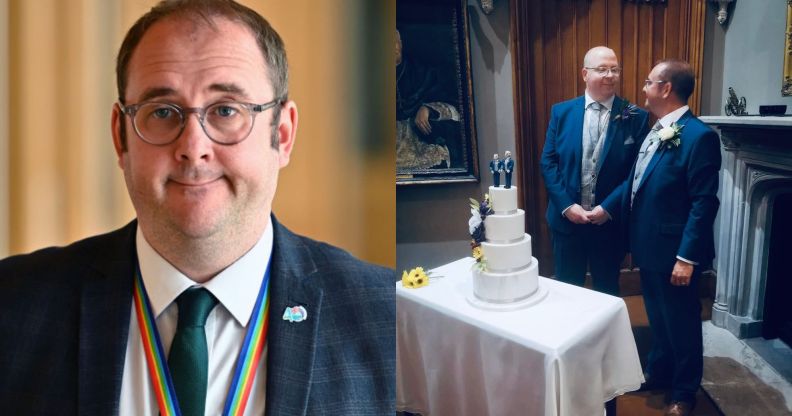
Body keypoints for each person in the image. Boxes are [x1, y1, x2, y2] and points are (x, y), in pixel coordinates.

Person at [0, 1, 395, 415]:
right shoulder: (12, 309)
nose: (193, 147)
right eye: (162, 112)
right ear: (120, 137)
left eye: (226, 110)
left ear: (281, 134)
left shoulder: (388, 319)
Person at [602, 59, 721, 416]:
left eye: (648, 82)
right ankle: (659, 370)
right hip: (649, 246)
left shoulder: (699, 137)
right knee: (658, 316)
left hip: (675, 253)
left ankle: (684, 392)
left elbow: (703, 203)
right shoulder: (656, 129)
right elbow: (637, 182)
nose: (643, 88)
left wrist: (687, 258)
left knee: (682, 324)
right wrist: (607, 211)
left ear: (666, 88)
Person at [540, 46, 649, 296]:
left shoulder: (636, 116)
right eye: (602, 69)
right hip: (567, 223)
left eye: (615, 69)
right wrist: (567, 206)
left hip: (609, 225)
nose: (610, 75)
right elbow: (548, 162)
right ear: (585, 74)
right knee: (568, 292)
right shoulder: (561, 112)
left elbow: (637, 172)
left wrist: (608, 207)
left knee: (607, 291)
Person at [396, 28, 460, 170]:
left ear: (401, 44)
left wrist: (428, 108)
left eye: (394, 42)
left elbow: (451, 102)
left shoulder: (422, 71)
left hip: (417, 137)